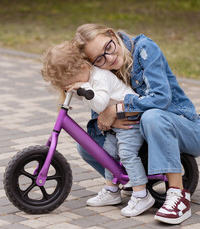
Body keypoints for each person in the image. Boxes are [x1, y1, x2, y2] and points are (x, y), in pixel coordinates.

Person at [72, 23, 200, 225]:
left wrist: (117, 109)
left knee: (152, 116)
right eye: (99, 59)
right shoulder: (102, 73)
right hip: (144, 137)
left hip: (185, 128)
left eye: (108, 48)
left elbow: (161, 99)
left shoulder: (145, 48)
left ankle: (178, 195)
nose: (109, 59)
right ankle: (133, 186)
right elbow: (103, 118)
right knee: (87, 145)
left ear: (112, 34)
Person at [41, 40, 155, 217]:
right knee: (107, 155)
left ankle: (142, 195)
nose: (75, 85)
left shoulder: (100, 77)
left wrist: (83, 87)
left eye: (74, 82)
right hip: (117, 122)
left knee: (126, 153)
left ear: (83, 67)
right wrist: (74, 90)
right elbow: (87, 95)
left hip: (131, 118)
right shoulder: (87, 76)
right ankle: (111, 191)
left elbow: (99, 101)